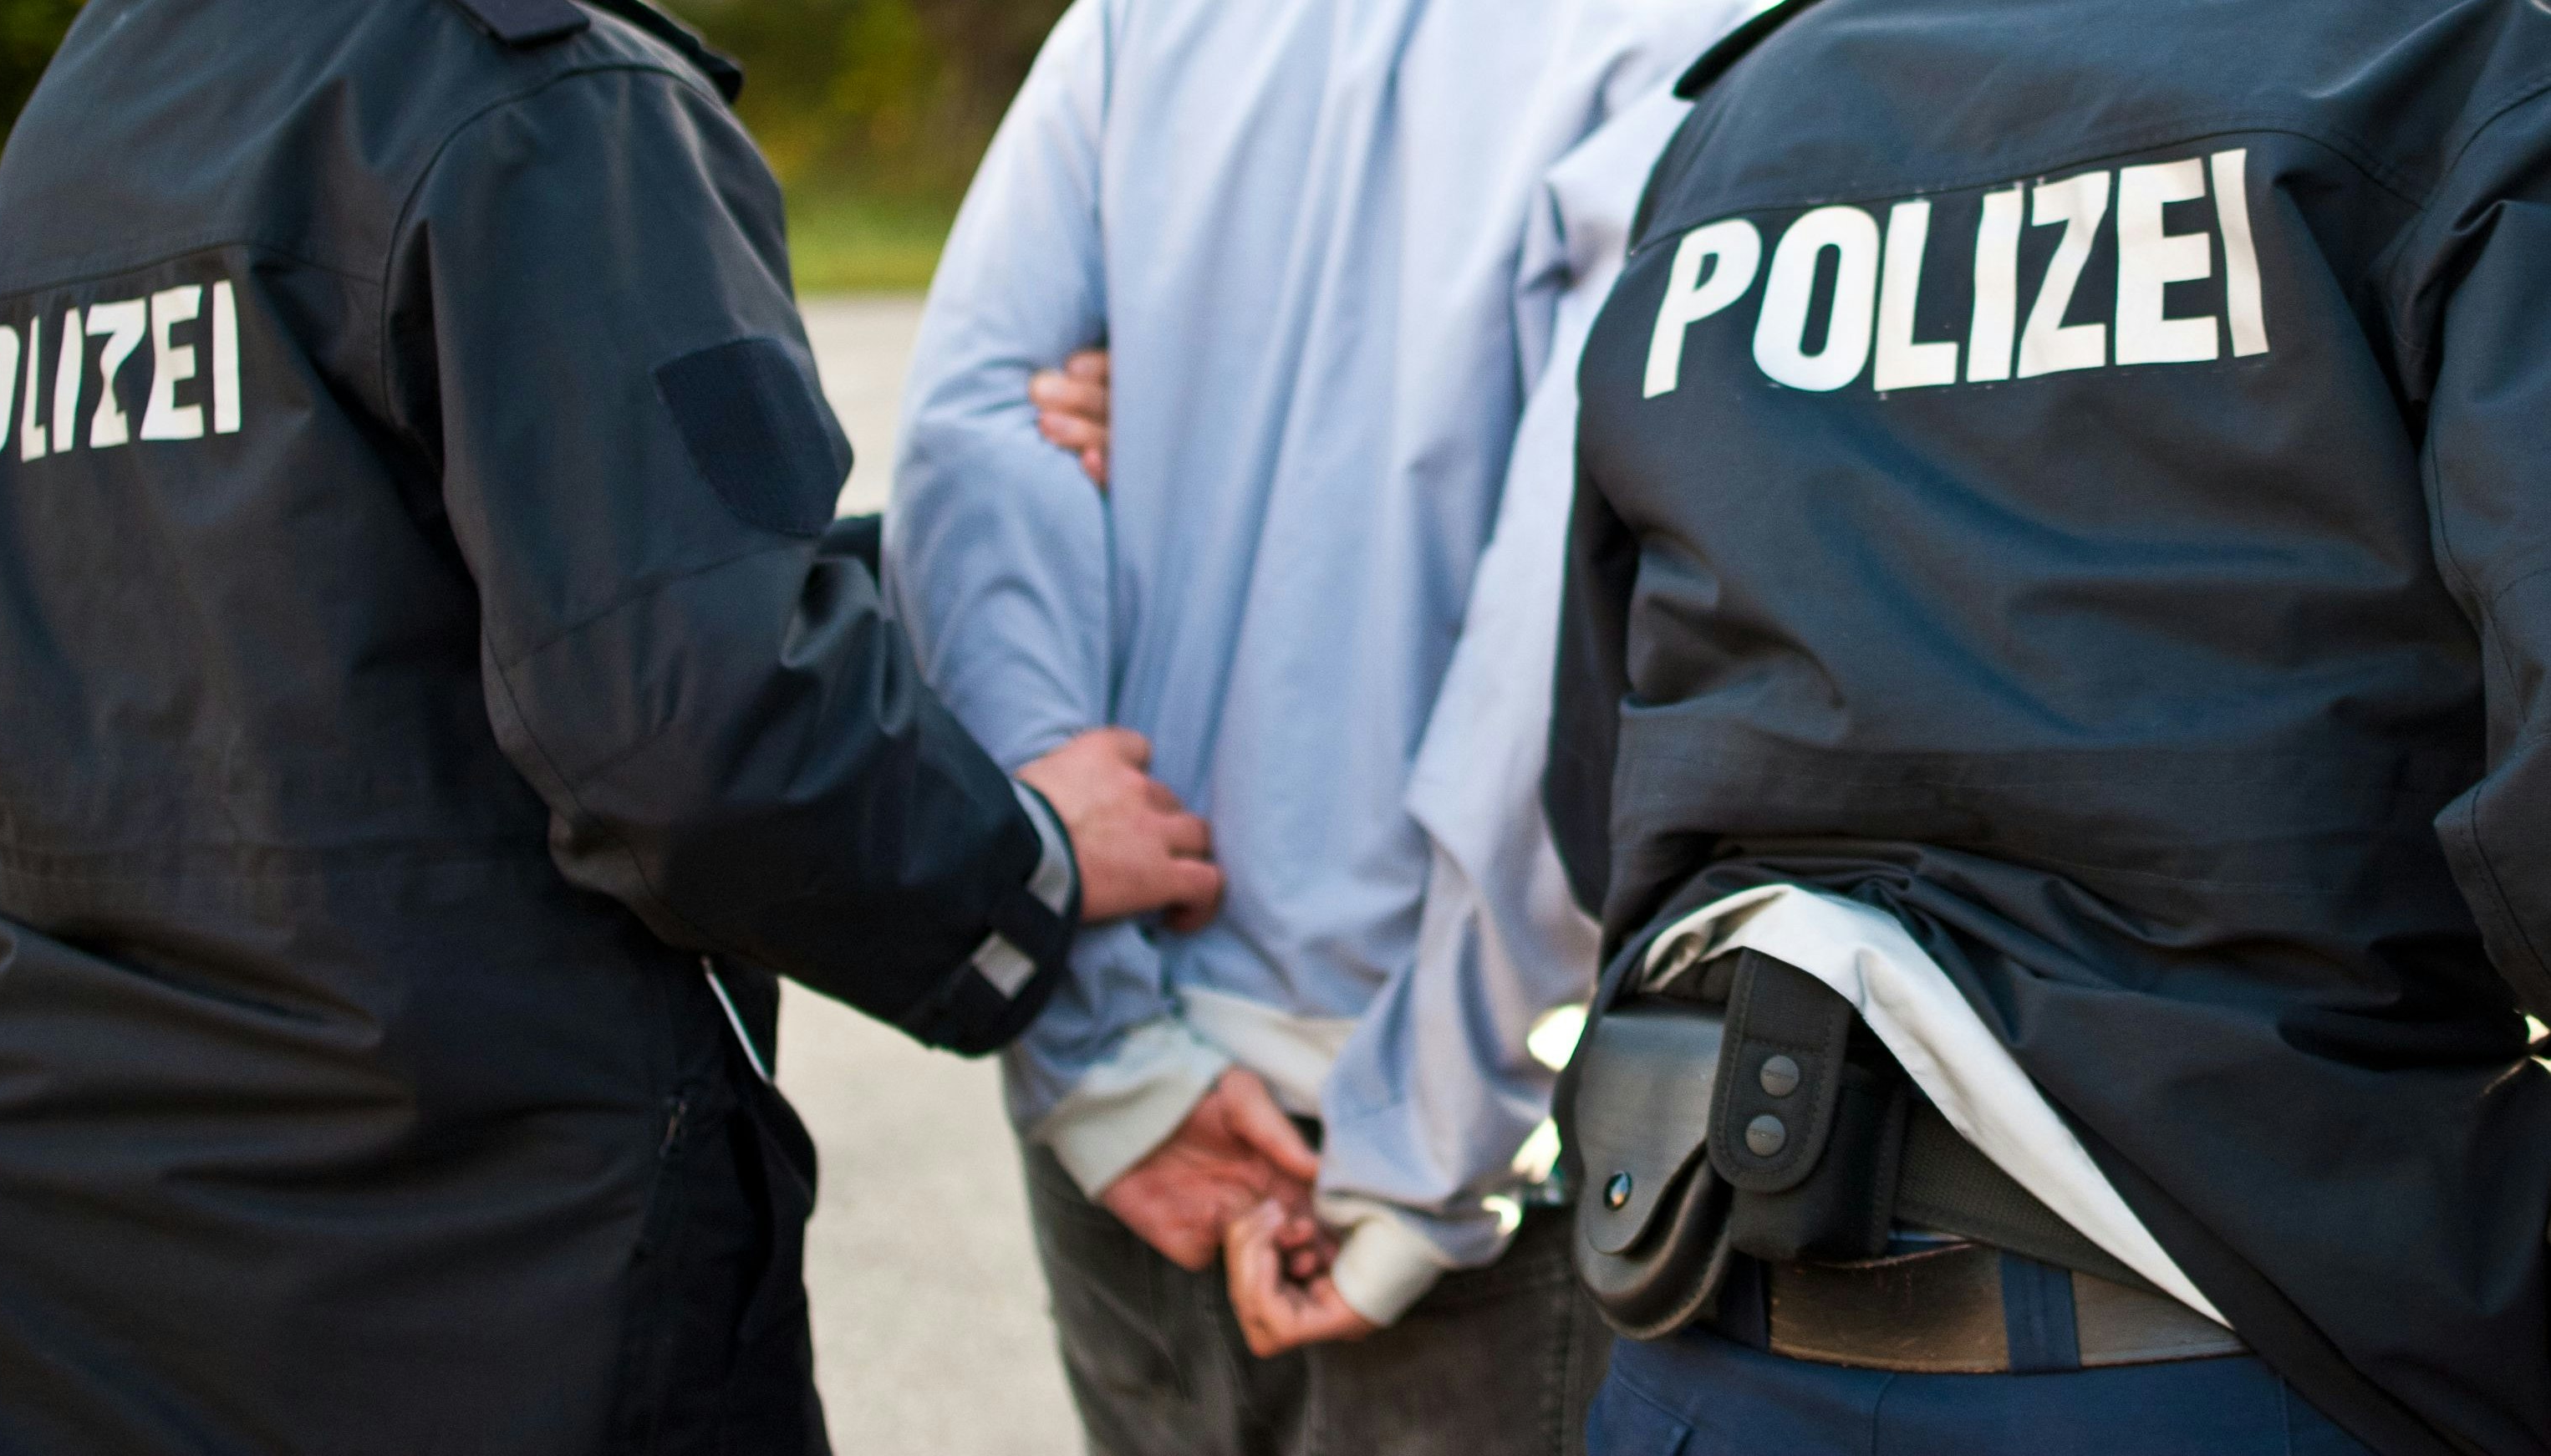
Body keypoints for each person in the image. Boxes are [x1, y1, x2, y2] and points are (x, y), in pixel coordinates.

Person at [0, 2, 1222, 1453]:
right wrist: (1029, 859)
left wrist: (945, 551)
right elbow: (693, 735)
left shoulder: (106, 106)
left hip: (71, 1292)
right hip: (465, 1289)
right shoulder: (541, 105)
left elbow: (311, 634)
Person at [1548, 0, 2551, 1453]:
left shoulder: (1736, 124)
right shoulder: (2436, 68)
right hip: (2259, 1323)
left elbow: (1601, 782)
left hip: (1713, 1335)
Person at [885, 0, 1745, 1449]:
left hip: (1136, 1100)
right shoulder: (1692, 45)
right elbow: (1571, 631)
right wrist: (1430, 1141)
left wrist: (1101, 1055)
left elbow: (976, 453)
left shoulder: (1131, 28)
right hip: (1464, 1139)